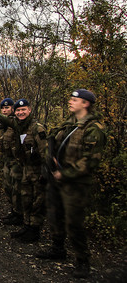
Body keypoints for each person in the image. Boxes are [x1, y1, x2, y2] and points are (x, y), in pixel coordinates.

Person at [36, 89, 106, 279]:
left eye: (75, 100)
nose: (70, 102)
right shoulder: (68, 124)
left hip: (75, 183)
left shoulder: (93, 129)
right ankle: (57, 248)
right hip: (57, 178)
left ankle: (82, 260)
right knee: (55, 214)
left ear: (86, 104)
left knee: (74, 221)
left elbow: (90, 161)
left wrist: (65, 173)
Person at [0, 98, 47, 242]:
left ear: (29, 110)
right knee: (25, 197)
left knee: (36, 201)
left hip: (36, 170)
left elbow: (45, 153)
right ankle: (27, 225)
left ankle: (33, 230)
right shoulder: (18, 125)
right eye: (18, 110)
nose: (21, 112)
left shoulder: (37, 128)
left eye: (23, 110)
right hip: (25, 167)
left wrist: (45, 171)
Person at [0, 98, 23, 225]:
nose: (5, 110)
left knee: (17, 189)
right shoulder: (5, 125)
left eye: (8, 108)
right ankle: (14, 211)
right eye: (3, 108)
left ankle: (19, 214)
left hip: (16, 162)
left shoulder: (15, 122)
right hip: (7, 160)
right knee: (8, 187)